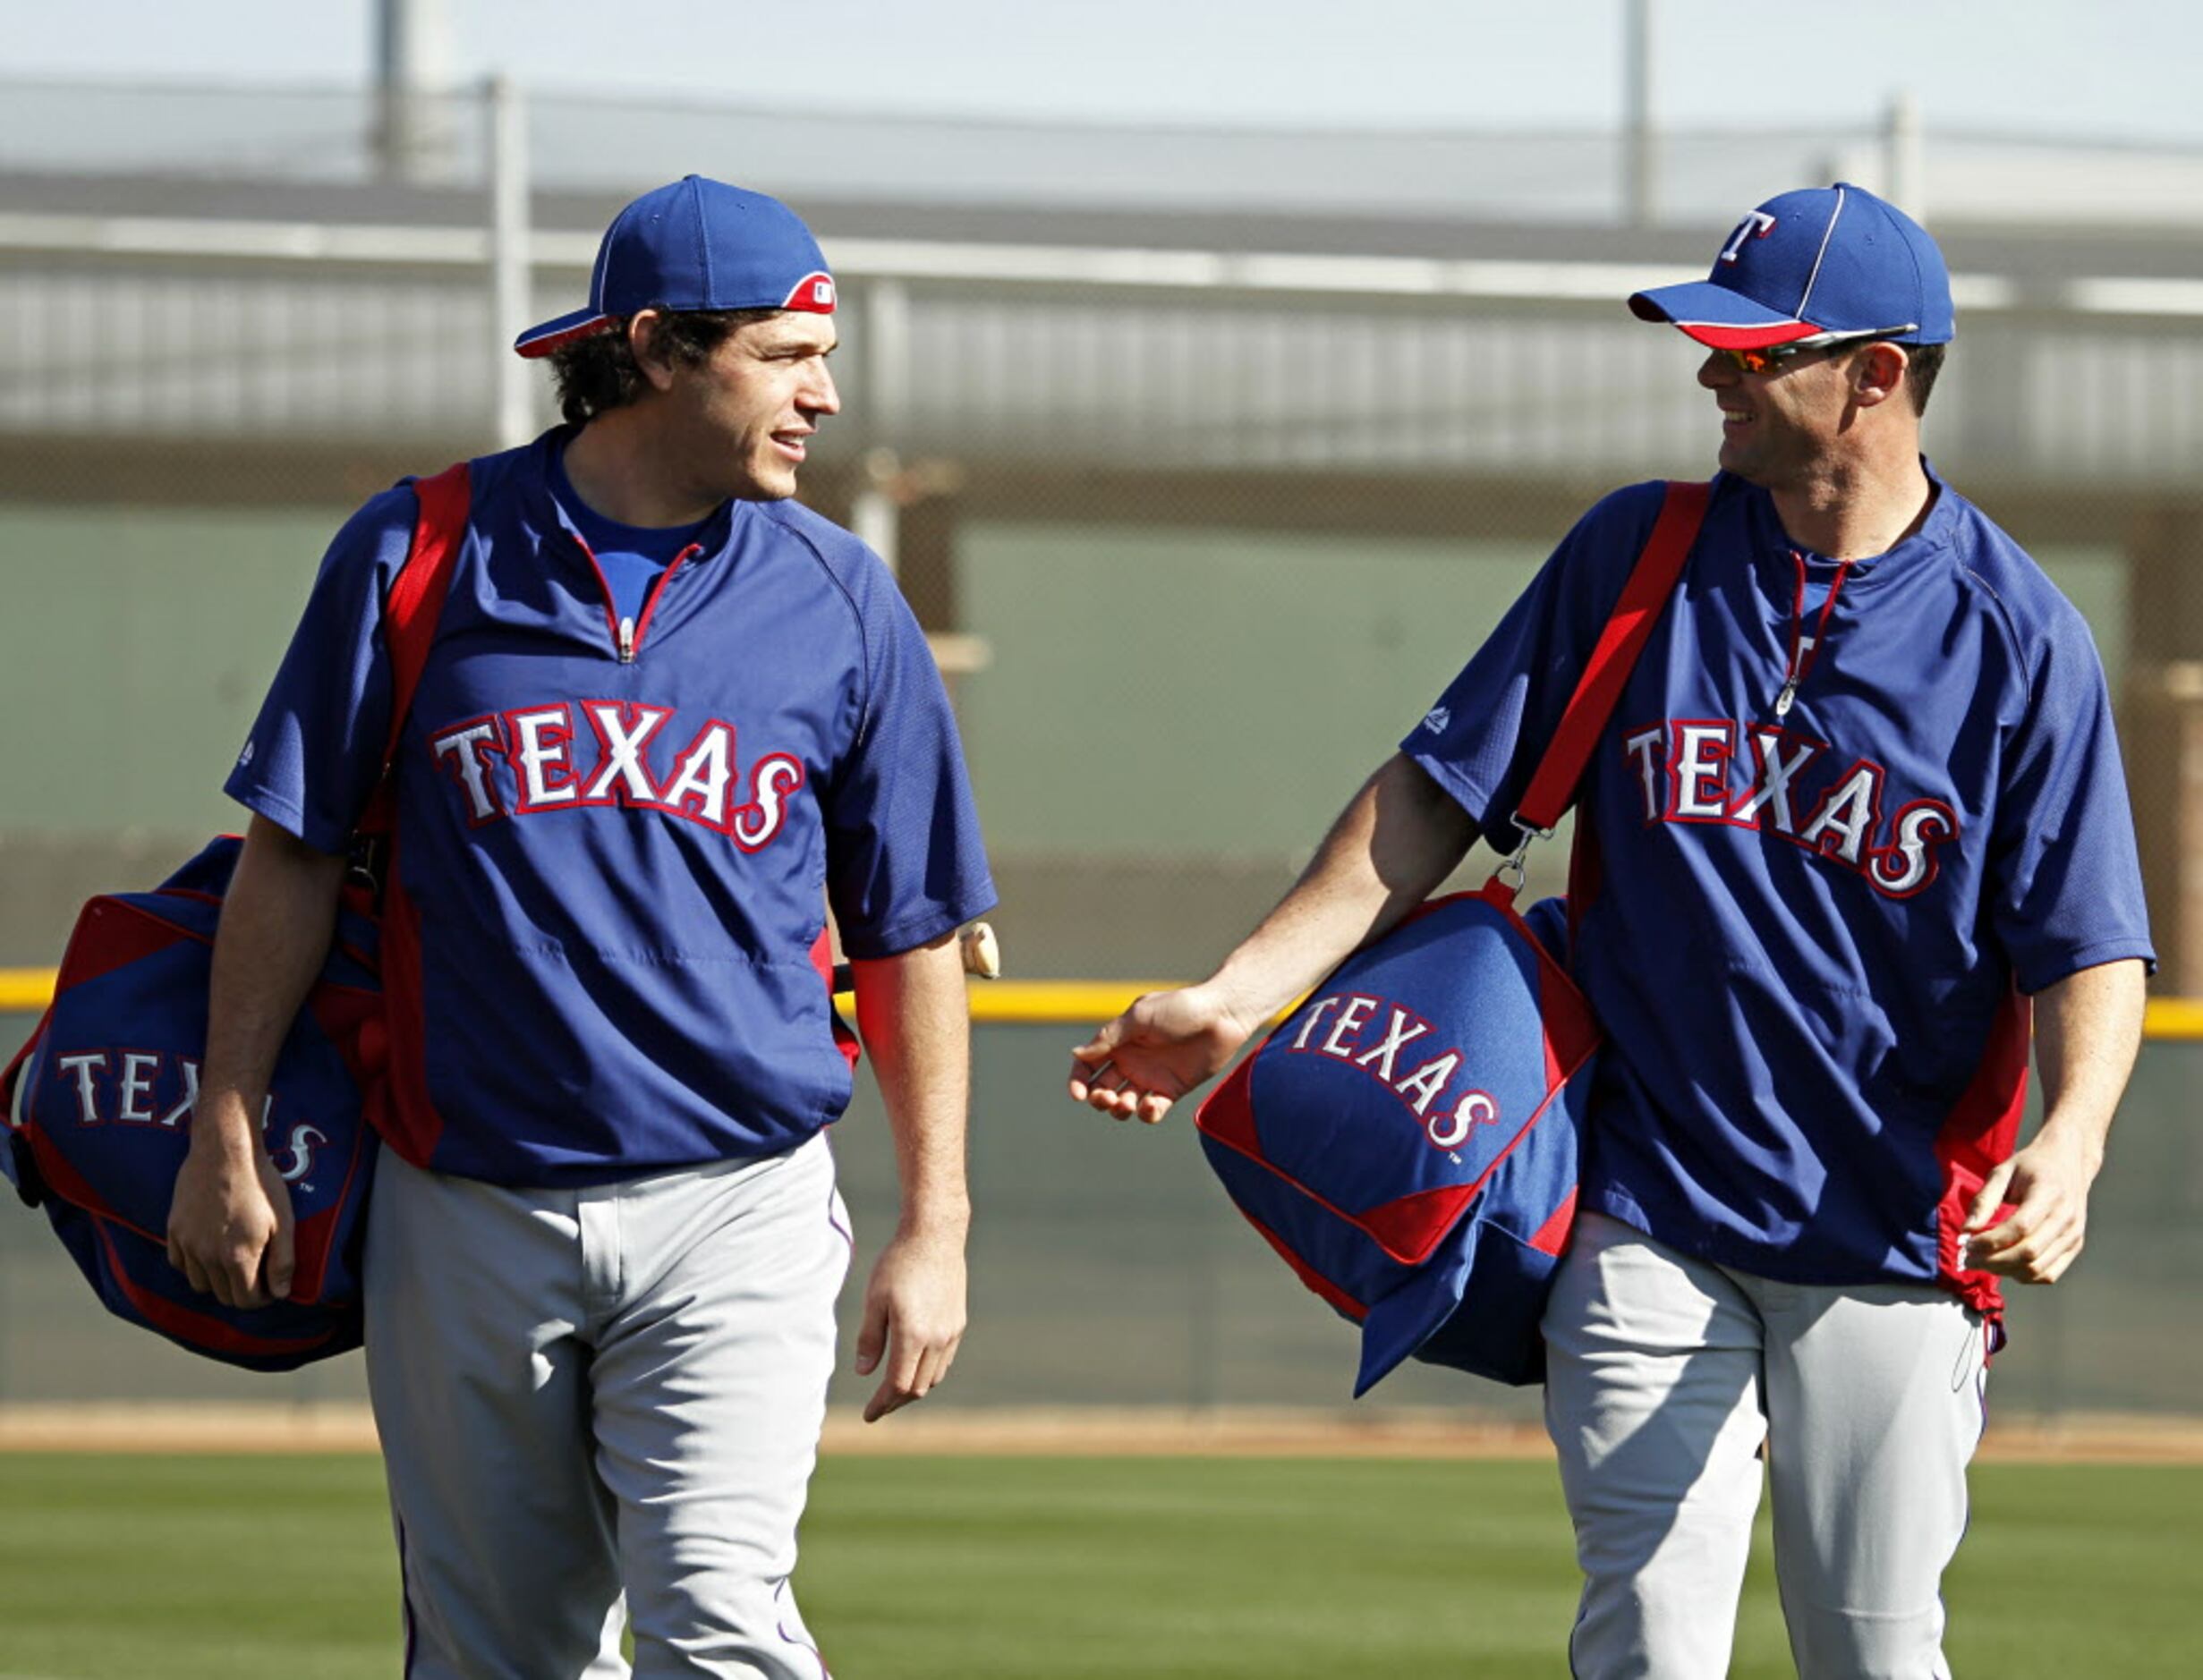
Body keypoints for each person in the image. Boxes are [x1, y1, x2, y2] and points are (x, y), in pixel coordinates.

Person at [1068, 182, 2152, 1677]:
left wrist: (2078, 1131)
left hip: (1894, 1229)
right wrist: (1243, 991)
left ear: (1879, 373)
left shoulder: (2014, 636)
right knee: (1641, 1636)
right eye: (1709, 343)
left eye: (1753, 348)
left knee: (1872, 1652)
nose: (1712, 370)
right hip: (1646, 1209)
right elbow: (1432, 794)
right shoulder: (1639, 555)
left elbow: (2087, 934)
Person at [167, 174, 996, 1677]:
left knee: (724, 1624)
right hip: (469, 1196)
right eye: (784, 353)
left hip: (737, 1200)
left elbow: (914, 931)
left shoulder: (840, 598)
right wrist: (224, 1119)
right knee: (502, 1653)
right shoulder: (416, 550)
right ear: (661, 351)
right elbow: (286, 856)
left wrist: (934, 1220)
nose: (820, 394)